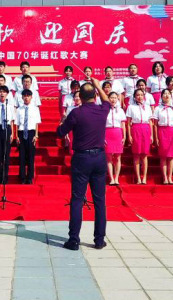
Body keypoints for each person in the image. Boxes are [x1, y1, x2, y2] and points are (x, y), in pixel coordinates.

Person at [57, 77, 110, 251]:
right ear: (95, 95)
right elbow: (107, 101)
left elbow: (60, 133)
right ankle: (99, 239)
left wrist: (62, 122)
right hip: (99, 157)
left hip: (81, 158)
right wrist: (97, 85)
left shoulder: (76, 113)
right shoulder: (102, 110)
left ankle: (74, 239)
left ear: (80, 96)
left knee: (77, 199)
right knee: (99, 200)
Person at [153, 89, 173, 185]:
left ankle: (170, 177)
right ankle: (164, 177)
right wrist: (156, 137)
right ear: (161, 96)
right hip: (162, 131)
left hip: (172, 132)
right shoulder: (158, 109)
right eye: (164, 94)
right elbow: (155, 124)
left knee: (171, 156)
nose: (166, 95)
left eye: (168, 94)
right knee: (163, 156)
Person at [127, 88, 154, 185]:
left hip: (146, 129)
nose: (139, 97)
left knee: (145, 155)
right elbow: (128, 123)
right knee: (136, 155)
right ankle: (138, 177)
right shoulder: (131, 107)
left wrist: (151, 135)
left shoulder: (147, 107)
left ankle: (144, 177)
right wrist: (129, 135)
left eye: (141, 95)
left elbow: (150, 122)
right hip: (136, 129)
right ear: (134, 97)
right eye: (137, 95)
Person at [0, 86, 16, 184]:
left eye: (4, 92)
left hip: (7, 129)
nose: (2, 94)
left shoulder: (10, 106)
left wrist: (12, 133)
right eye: (0, 92)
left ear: (7, 94)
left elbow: (12, 121)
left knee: (6, 154)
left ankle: (5, 177)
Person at [16, 89, 41, 184]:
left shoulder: (35, 109)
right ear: (22, 97)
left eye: (28, 96)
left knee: (31, 156)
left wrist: (36, 135)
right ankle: (22, 177)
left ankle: (30, 177)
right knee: (22, 156)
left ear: (31, 97)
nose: (26, 98)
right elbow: (17, 124)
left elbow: (36, 123)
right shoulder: (19, 110)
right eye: (25, 96)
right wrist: (17, 136)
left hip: (31, 133)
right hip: (21, 133)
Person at [105, 92, 126, 186]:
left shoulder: (120, 110)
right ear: (108, 98)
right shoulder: (104, 109)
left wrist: (124, 136)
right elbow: (101, 124)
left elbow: (123, 124)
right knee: (109, 157)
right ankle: (111, 178)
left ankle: (116, 178)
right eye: (111, 97)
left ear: (117, 99)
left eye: (115, 98)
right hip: (107, 133)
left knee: (117, 157)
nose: (113, 100)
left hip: (117, 133)